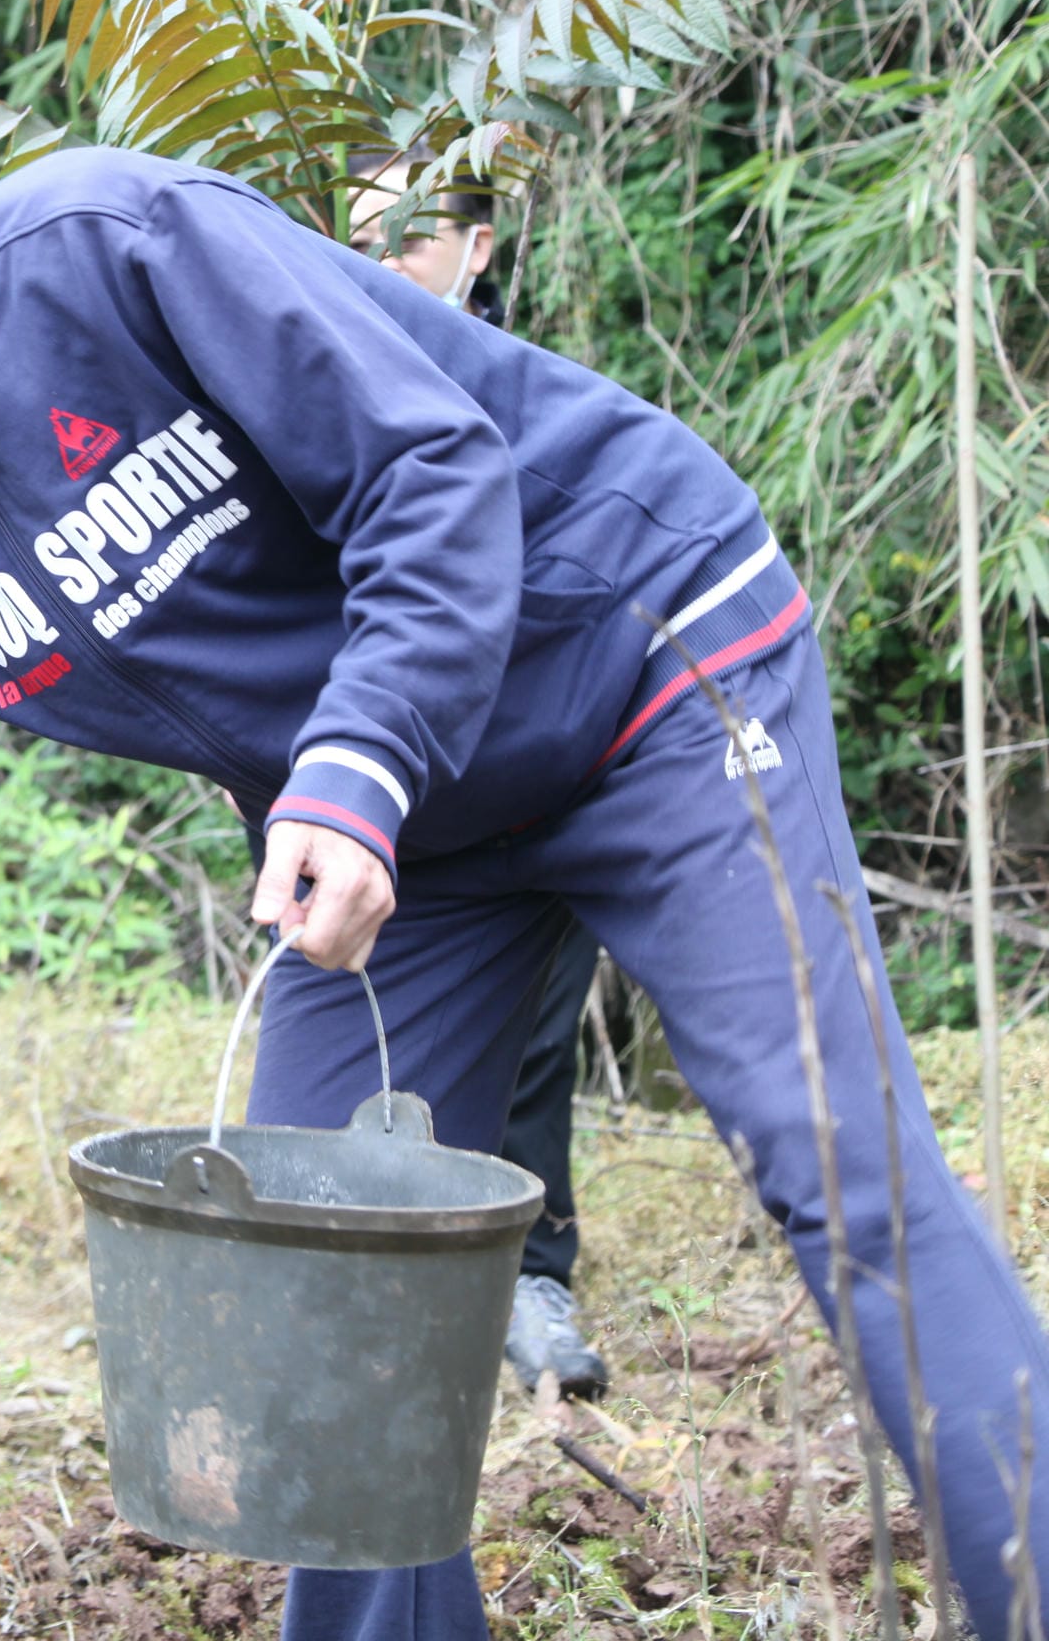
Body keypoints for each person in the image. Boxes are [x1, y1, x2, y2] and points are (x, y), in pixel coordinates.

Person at [0, 86, 1049, 1641]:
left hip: (637, 667)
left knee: (835, 1158)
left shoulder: (113, 248)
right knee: (318, 1290)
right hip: (407, 838)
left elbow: (431, 464)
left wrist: (358, 754)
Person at [345, 156, 607, 1399]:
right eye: (359, 232)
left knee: (536, 1030)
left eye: (413, 228)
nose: (387, 251)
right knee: (364, 1035)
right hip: (376, 765)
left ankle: (531, 1273)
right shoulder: (313, 378)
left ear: (480, 248)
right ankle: (384, 1290)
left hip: (539, 737)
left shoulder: (539, 387)